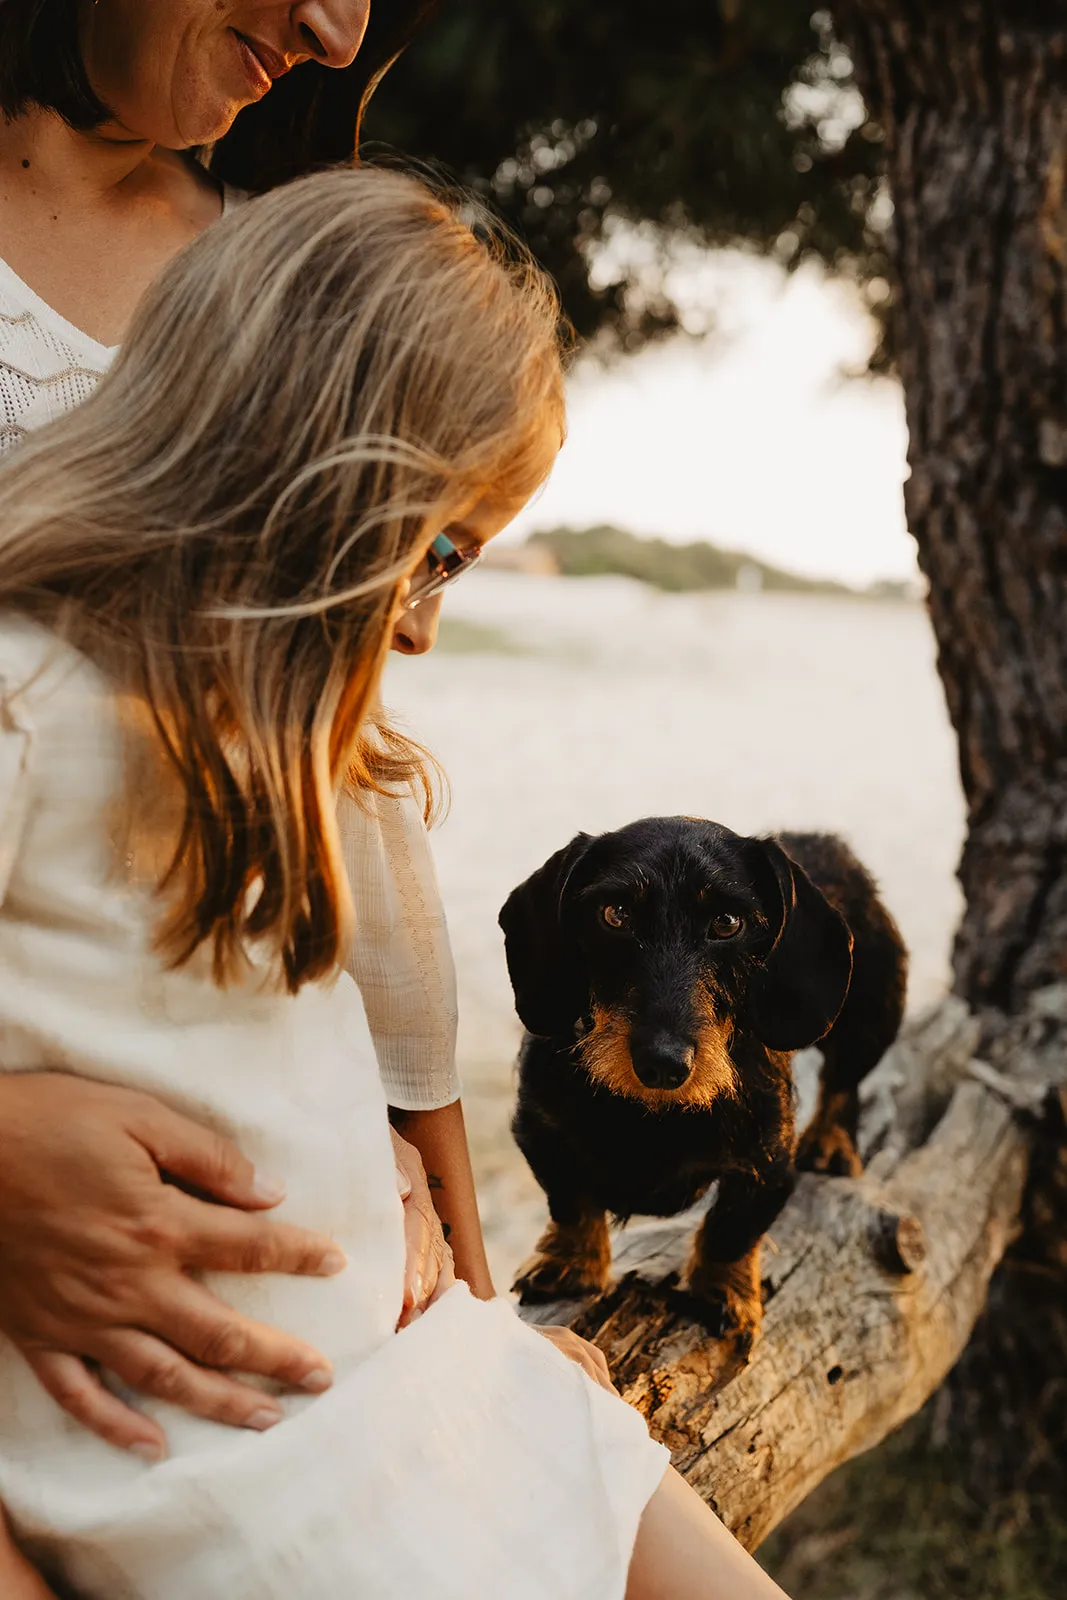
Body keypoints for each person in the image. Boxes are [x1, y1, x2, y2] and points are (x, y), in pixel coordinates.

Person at [0, 162, 789, 1600]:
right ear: (299, 456)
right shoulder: (25, 708)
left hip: (395, 1373)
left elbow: (312, 1067)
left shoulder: (274, 755)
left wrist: (459, 1298)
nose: (420, 631)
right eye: (431, 554)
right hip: (234, 1466)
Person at [0, 0, 493, 1462]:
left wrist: (464, 1285)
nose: (338, 34)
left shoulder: (284, 274)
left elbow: (345, 781)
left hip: (218, 1204)